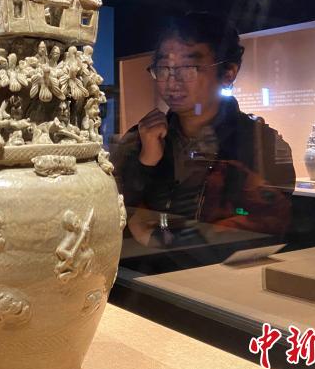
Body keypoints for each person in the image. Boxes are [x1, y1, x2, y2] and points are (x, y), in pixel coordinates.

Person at [114, 13, 295, 244]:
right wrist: (145, 163)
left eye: (188, 69)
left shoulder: (260, 143)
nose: (172, 82)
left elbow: (266, 226)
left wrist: (161, 239)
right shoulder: (139, 139)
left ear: (228, 73)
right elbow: (112, 215)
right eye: (163, 69)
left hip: (220, 268)